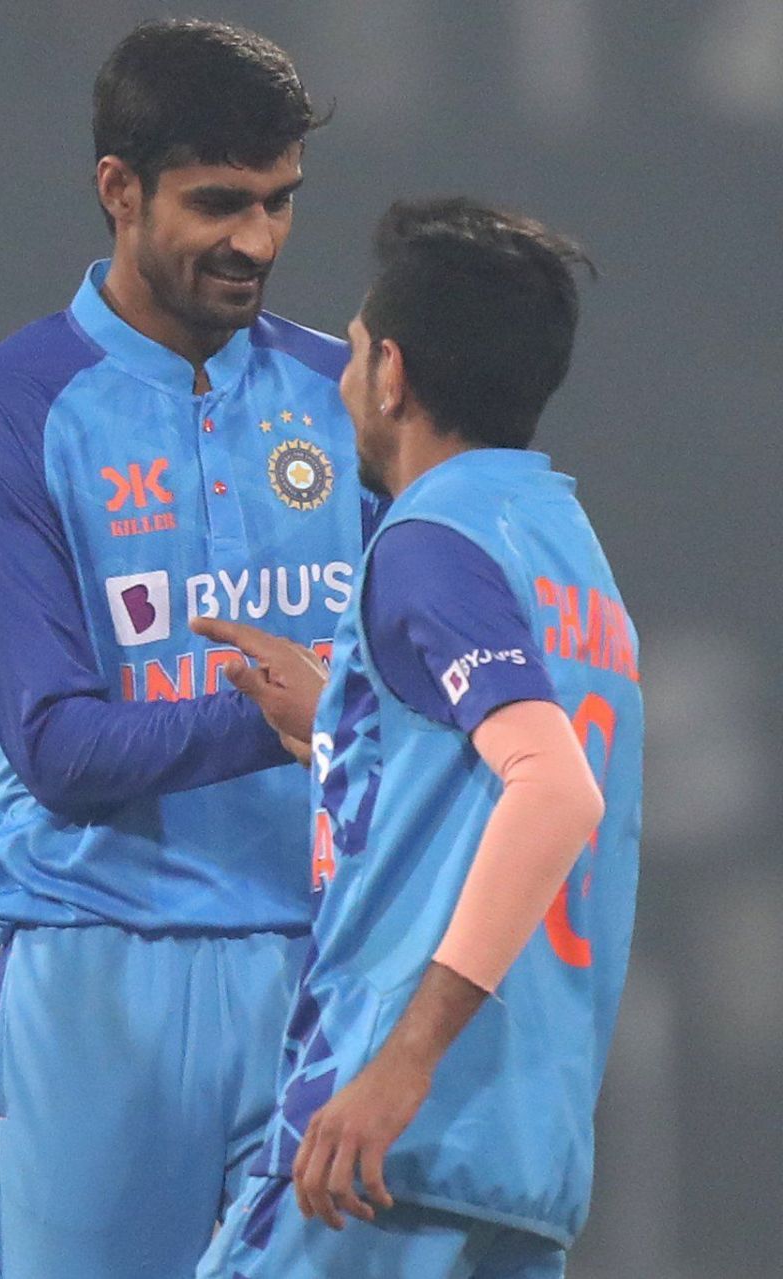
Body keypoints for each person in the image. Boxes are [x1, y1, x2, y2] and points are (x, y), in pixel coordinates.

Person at [0, 20, 370, 1276]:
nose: (259, 242)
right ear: (118, 189)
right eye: (219, 203)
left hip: (321, 970)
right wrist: (294, 708)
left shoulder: (355, 401)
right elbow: (57, 745)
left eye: (280, 202)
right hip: (100, 979)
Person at [194, 198, 640, 1277]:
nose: (343, 380)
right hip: (524, 1151)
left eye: (352, 351)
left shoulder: (429, 541)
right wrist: (344, 730)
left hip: (383, 1141)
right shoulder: (569, 553)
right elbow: (487, 780)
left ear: (391, 374)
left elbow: (553, 790)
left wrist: (402, 1063)